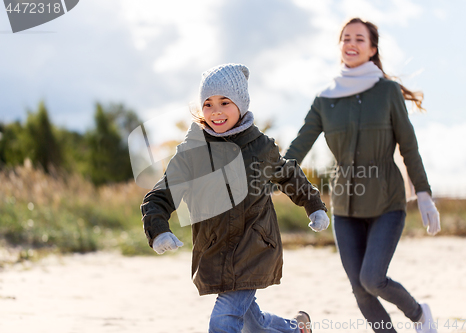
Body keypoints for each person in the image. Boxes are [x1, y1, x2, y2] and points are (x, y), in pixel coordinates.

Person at [141, 63, 329, 333]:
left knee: (223, 321)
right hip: (215, 249)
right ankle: (297, 329)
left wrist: (314, 206)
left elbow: (289, 175)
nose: (216, 111)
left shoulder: (261, 147)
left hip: (255, 248)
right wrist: (158, 229)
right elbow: (163, 192)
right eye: (208, 104)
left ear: (241, 104)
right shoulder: (192, 152)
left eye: (225, 102)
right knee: (254, 325)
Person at [284, 18, 441, 333]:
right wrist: (270, 174)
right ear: (339, 46)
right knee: (359, 288)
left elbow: (408, 146)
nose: (351, 44)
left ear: (372, 49)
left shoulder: (387, 92)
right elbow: (297, 148)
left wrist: (424, 193)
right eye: (345, 38)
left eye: (359, 39)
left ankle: (419, 314)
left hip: (387, 202)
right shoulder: (325, 99)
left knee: (372, 279)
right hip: (345, 208)